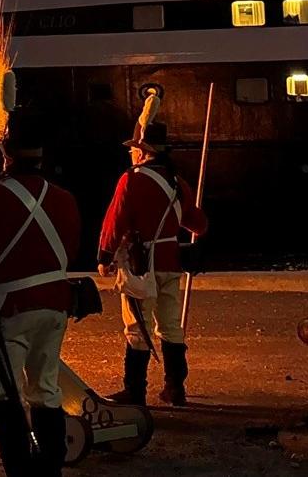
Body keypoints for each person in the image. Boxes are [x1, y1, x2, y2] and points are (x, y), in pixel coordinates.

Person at [0, 107, 80, 477]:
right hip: (55, 306)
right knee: (45, 389)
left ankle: (20, 468)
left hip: (10, 310)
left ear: (6, 153)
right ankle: (49, 469)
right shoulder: (65, 199)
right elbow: (68, 250)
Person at [96, 93, 207, 407]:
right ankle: (175, 389)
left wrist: (104, 256)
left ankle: (135, 391)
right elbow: (198, 225)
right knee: (171, 326)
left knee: (137, 328)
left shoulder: (131, 181)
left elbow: (113, 222)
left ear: (141, 151)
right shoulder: (177, 182)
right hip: (171, 262)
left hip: (140, 266)